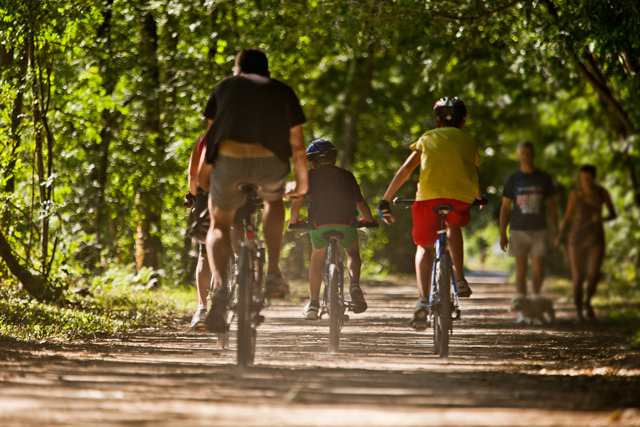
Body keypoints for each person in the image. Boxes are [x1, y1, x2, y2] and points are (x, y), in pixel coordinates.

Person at [197, 49, 308, 333]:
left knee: (219, 224)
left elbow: (211, 137)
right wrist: (302, 182)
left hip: (228, 163)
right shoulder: (282, 90)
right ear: (268, 73)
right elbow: (297, 144)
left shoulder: (223, 87)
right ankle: (272, 273)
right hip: (269, 162)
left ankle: (220, 290)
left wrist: (203, 174)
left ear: (236, 72)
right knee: (273, 202)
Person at [378, 97, 483, 329]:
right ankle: (460, 279)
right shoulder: (468, 141)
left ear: (436, 121)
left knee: (424, 246)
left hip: (428, 199)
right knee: (453, 225)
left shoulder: (427, 138)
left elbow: (406, 169)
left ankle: (423, 300)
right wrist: (479, 197)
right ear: (463, 122)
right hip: (459, 198)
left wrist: (385, 199)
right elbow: (472, 171)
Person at [289, 139, 376, 320]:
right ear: (334, 159)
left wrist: (293, 222)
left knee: (317, 260)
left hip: (319, 224)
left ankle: (313, 305)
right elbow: (361, 202)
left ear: (312, 163)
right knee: (352, 252)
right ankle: (354, 284)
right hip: (347, 222)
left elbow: (296, 204)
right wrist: (370, 220)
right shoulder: (347, 176)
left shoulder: (309, 177)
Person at [499, 141, 558, 313]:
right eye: (522, 153)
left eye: (529, 153)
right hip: (518, 229)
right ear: (518, 155)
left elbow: (551, 206)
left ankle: (536, 304)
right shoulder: (513, 179)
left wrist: (556, 229)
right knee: (521, 269)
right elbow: (505, 208)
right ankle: (523, 308)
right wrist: (502, 233)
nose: (526, 156)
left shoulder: (543, 178)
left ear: (533, 155)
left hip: (539, 229)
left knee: (538, 270)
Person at [555, 165, 616, 322]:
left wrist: (601, 219)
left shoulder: (602, 193)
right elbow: (568, 217)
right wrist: (560, 235)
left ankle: (588, 302)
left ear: (594, 178)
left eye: (588, 178)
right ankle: (579, 312)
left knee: (593, 274)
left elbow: (613, 214)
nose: (585, 182)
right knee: (578, 276)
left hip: (596, 237)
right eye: (583, 178)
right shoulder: (575, 194)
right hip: (576, 236)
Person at [184, 132, 211, 330]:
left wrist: (193, 195)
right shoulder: (245, 133)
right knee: (235, 227)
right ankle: (239, 266)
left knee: (204, 253)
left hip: (206, 195)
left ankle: (202, 308)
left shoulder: (203, 139)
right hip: (236, 194)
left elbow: (193, 175)